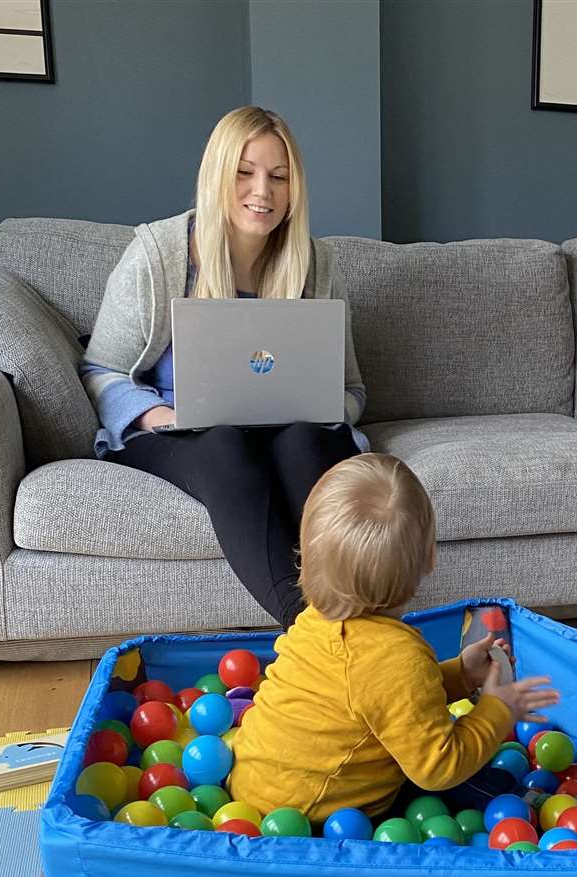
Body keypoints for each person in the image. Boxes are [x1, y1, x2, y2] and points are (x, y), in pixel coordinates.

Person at [80, 106, 366, 629]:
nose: (264, 190)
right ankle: (315, 633)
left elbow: (351, 389)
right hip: (186, 433)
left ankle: (348, 628)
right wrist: (156, 416)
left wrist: (324, 405)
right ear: (217, 175)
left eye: (279, 176)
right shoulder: (157, 255)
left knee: (304, 440)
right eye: (245, 171)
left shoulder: (317, 264)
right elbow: (100, 369)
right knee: (224, 443)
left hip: (289, 430)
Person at [230, 453, 560, 824]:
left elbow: (378, 699)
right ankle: (541, 810)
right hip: (309, 819)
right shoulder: (399, 657)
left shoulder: (316, 619)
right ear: (430, 557)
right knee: (480, 785)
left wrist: (462, 675)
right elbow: (438, 766)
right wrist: (499, 709)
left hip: (251, 788)